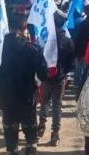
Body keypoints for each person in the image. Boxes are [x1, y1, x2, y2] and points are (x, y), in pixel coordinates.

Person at [0, 11, 49, 155]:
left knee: (10, 138)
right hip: (28, 99)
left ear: (8, 26)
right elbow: (44, 74)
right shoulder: (33, 49)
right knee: (30, 137)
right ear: (24, 26)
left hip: (7, 98)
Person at [37, 10, 74, 146]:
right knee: (57, 106)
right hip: (59, 77)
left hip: (45, 76)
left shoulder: (45, 38)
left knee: (45, 102)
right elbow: (71, 63)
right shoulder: (68, 41)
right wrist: (64, 73)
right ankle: (55, 134)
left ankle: (40, 128)